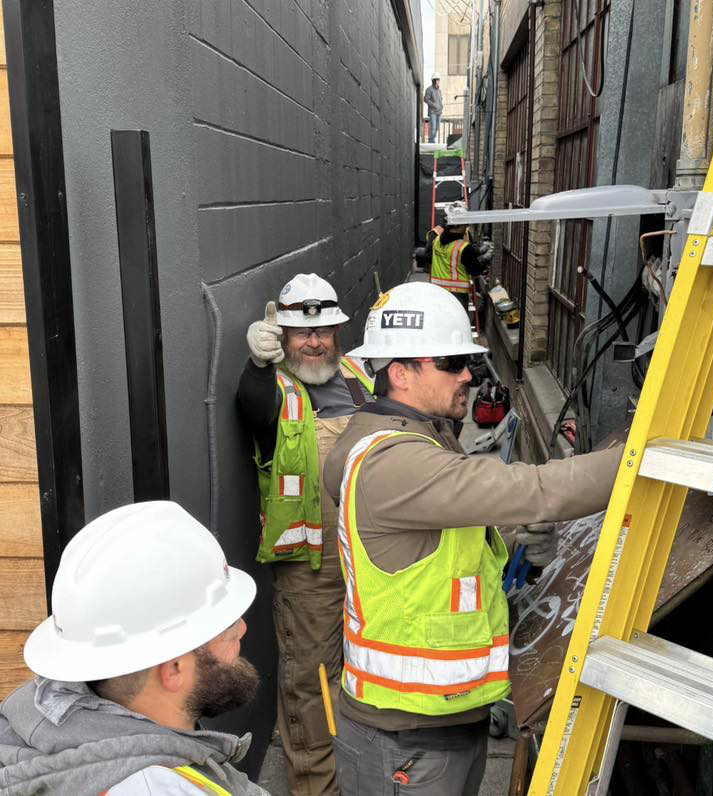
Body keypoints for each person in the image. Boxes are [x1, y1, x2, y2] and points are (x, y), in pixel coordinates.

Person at [322, 282, 623, 796]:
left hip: (440, 721)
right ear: (400, 372)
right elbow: (536, 488)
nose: (468, 375)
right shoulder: (394, 461)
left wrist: (511, 539)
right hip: (406, 738)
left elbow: (441, 549)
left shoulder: (417, 442)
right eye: (452, 361)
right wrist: (641, 455)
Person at [0, 501, 267, 795]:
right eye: (226, 627)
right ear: (174, 669)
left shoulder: (39, 723)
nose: (242, 628)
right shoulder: (157, 788)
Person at [238, 273, 373, 796]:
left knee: (370, 675)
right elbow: (251, 404)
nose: (313, 342)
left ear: (337, 332)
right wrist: (255, 364)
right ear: (284, 337)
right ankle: (317, 788)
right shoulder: (276, 390)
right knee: (312, 689)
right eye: (301, 333)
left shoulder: (362, 378)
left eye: (322, 332)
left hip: (371, 562)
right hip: (310, 571)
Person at [426, 201, 494, 310]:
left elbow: (455, 254)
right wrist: (485, 259)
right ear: (459, 225)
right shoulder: (463, 247)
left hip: (438, 291)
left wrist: (478, 251)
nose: (466, 228)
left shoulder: (437, 240)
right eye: (465, 225)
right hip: (457, 295)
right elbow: (475, 271)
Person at [424, 72, 443, 143]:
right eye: (437, 80)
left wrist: (441, 106)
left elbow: (440, 100)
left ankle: (431, 140)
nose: (438, 81)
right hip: (433, 112)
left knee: (437, 129)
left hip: (439, 112)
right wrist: (434, 105)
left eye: (439, 80)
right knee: (433, 128)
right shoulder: (429, 89)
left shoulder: (439, 90)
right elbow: (426, 99)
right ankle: (431, 141)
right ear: (434, 80)